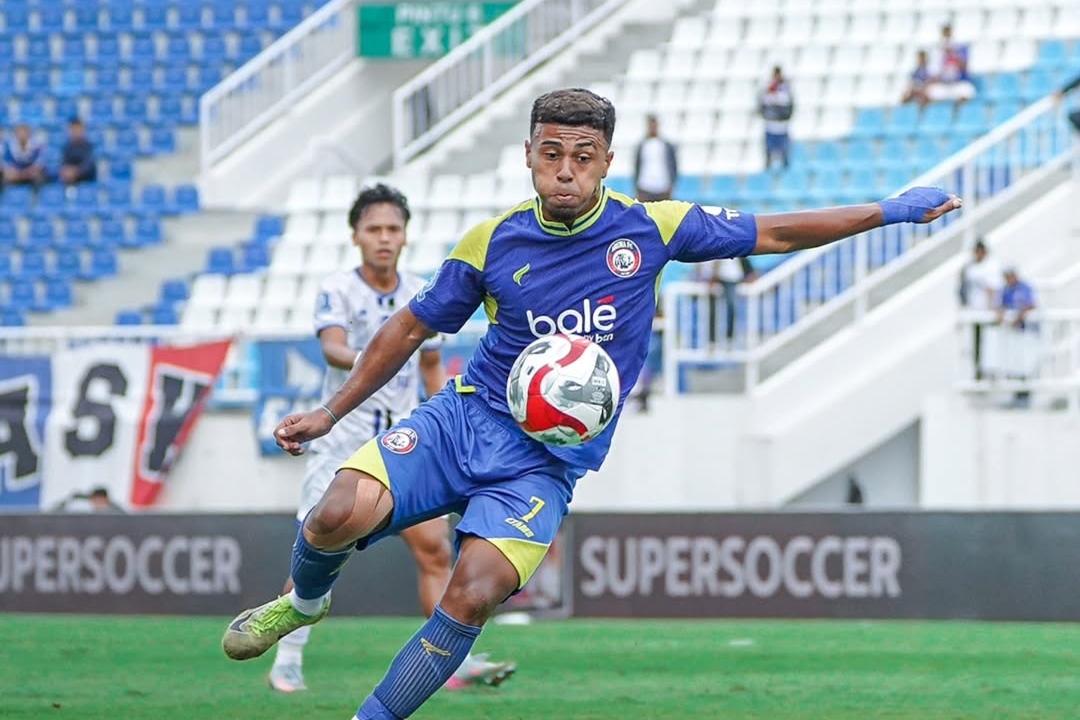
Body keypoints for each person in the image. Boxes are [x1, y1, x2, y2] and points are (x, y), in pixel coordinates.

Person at [220, 87, 961, 720]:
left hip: (543, 464)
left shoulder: (653, 228)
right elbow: (410, 326)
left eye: (583, 156)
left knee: (474, 593)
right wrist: (330, 412)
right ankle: (306, 602)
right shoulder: (493, 241)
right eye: (552, 154)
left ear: (607, 161)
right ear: (529, 156)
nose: (566, 170)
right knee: (337, 511)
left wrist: (888, 210)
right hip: (466, 420)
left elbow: (775, 230)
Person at [266, 183, 515, 694]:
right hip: (343, 442)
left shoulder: (423, 292)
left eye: (393, 229)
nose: (384, 238)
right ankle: (287, 659)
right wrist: (380, 355)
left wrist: (451, 425)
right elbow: (332, 348)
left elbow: (430, 366)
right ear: (356, 236)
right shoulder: (338, 289)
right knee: (316, 546)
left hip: (403, 443)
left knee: (435, 551)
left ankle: (451, 661)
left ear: (405, 236)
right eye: (374, 229)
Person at [959, 239, 1002, 380]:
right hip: (975, 311)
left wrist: (993, 308)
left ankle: (990, 371)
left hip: (988, 311)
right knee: (977, 342)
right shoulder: (971, 267)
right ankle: (978, 371)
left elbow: (992, 288)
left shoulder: (990, 266)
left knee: (990, 342)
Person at [693, 257, 757, 351]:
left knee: (729, 308)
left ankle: (727, 338)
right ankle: (714, 340)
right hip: (718, 278)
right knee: (713, 311)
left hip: (729, 278)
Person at [633, 114, 678, 202]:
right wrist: (637, 186)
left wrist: (671, 185)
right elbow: (637, 166)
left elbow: (673, 165)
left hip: (663, 188)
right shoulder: (642, 145)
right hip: (645, 187)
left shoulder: (666, 145)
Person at [759, 66, 794, 170]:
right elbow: (763, 105)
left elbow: (789, 106)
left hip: (782, 127)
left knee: (785, 155)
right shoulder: (767, 88)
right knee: (768, 155)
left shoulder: (786, 89)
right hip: (770, 127)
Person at [2, 123, 47, 188]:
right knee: (5, 177)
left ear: (29, 133)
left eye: (24, 132)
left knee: (38, 176)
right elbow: (5, 163)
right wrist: (13, 172)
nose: (22, 135)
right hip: (14, 174)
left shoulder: (37, 146)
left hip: (30, 174)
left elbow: (39, 163)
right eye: (19, 133)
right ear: (15, 134)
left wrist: (27, 172)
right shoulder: (8, 146)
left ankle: (36, 194)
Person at [58, 118, 97, 186]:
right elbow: (63, 163)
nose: (76, 132)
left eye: (78, 129)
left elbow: (88, 165)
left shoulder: (88, 146)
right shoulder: (67, 147)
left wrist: (75, 172)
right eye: (73, 129)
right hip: (68, 180)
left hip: (86, 181)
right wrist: (66, 171)